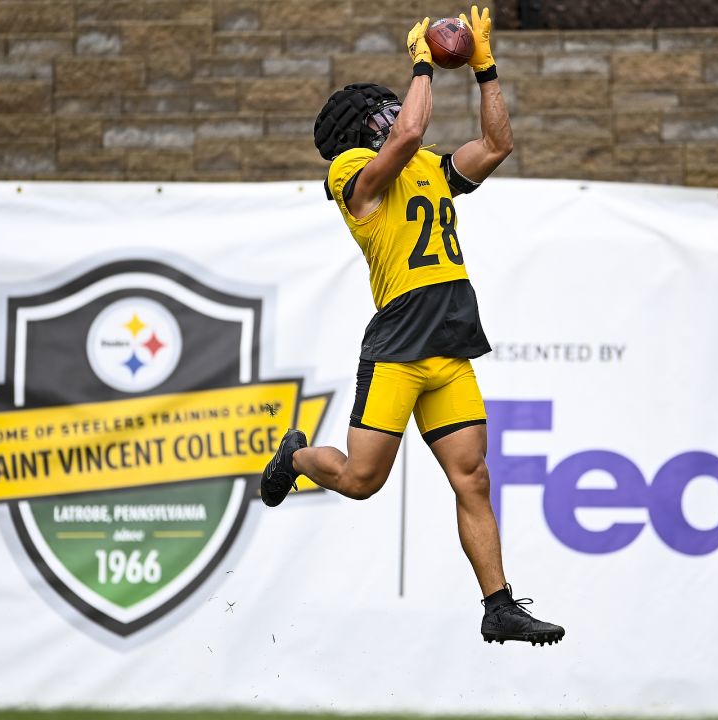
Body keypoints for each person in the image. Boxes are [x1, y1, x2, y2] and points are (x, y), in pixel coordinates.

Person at [262, 7, 564, 646]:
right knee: (361, 480)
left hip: (449, 341)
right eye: (380, 112)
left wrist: (484, 67)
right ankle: (296, 456)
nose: (393, 115)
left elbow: (497, 146)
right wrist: (425, 60)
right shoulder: (349, 175)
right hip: (399, 344)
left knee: (473, 475)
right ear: (357, 131)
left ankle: (498, 603)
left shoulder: (424, 163)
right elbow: (402, 140)